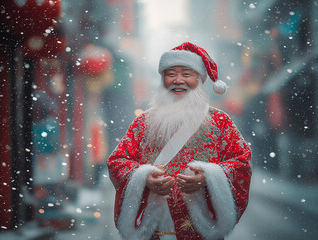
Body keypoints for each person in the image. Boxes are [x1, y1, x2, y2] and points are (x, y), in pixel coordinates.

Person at [107, 42, 252, 240]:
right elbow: (117, 161)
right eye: (170, 74)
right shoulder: (143, 122)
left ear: (199, 79)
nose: (178, 80)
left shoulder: (220, 122)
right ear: (163, 79)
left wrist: (209, 178)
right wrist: (144, 179)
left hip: (202, 230)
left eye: (186, 74)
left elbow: (242, 162)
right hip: (153, 230)